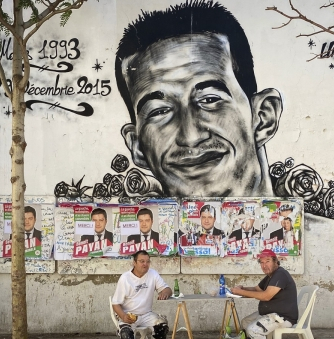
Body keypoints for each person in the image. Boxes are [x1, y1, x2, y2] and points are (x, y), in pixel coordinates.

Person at [115, 1, 283, 197]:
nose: (190, 137)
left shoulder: (324, 229)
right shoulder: (131, 228)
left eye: (210, 100)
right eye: (159, 111)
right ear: (137, 146)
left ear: (264, 117)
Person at [230, 249, 298, 339]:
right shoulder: (270, 276)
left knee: (253, 330)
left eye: (267, 261)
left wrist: (240, 292)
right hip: (272, 313)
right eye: (261, 262)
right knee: (245, 323)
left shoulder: (280, 274)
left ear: (275, 262)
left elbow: (266, 296)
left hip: (283, 316)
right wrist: (242, 288)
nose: (264, 265)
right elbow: (257, 290)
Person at [112, 250, 172, 339]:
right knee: (126, 334)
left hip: (146, 314)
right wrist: (123, 316)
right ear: (134, 263)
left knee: (162, 326)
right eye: (142, 261)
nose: (145, 264)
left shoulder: (153, 274)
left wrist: (165, 293)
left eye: (147, 261)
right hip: (128, 314)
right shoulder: (125, 278)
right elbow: (115, 304)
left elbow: (167, 289)